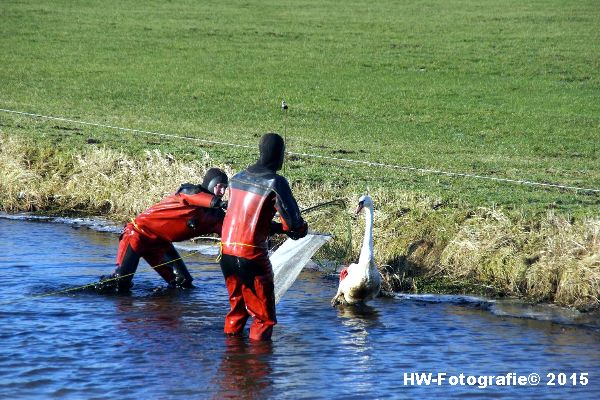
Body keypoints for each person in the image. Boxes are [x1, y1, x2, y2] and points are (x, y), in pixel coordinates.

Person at [220, 132, 308, 341]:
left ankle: (232, 362)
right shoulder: (275, 183)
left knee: (237, 311)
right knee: (263, 319)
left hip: (226, 254)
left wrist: (276, 227)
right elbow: (294, 224)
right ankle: (259, 369)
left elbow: (247, 219)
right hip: (252, 258)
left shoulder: (236, 178)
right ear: (279, 155)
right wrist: (298, 229)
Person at [96, 168, 229, 293]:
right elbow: (202, 198)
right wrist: (222, 204)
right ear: (211, 184)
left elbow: (231, 233)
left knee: (183, 283)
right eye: (220, 187)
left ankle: (164, 306)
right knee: (120, 282)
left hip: (160, 244)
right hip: (138, 234)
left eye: (225, 188)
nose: (222, 192)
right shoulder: (189, 191)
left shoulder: (216, 216)